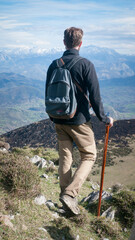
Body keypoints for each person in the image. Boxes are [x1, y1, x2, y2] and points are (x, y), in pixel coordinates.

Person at [45, 27, 113, 215]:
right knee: (89, 155)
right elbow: (96, 96)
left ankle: (64, 197)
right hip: (79, 120)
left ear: (64, 42)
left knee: (65, 157)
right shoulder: (86, 64)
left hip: (58, 118)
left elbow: (47, 92)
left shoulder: (54, 64)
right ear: (80, 43)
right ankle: (70, 194)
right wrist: (104, 119)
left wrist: (52, 116)